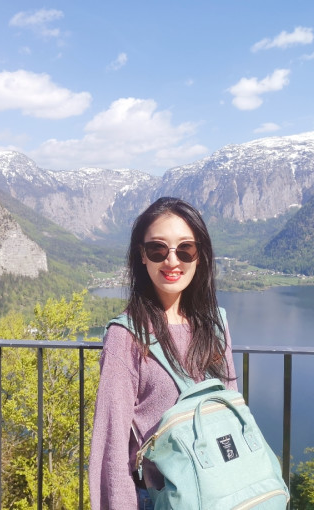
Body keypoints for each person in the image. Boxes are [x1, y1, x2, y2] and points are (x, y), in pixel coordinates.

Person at [89, 197, 238, 510]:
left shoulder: (215, 325)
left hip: (217, 492)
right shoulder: (126, 336)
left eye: (185, 249)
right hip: (161, 499)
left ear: (200, 255)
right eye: (158, 249)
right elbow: (112, 446)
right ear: (142, 256)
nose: (172, 260)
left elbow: (230, 415)